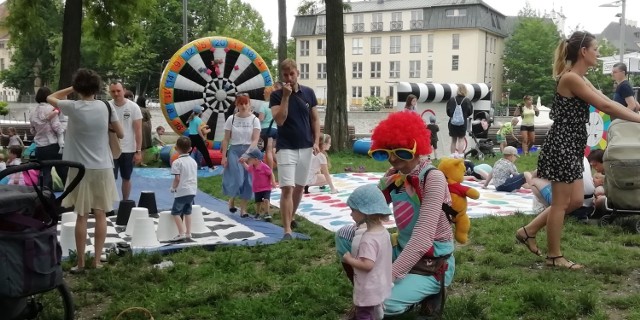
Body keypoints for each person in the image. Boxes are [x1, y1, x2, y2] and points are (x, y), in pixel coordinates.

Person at [515, 31, 640, 270]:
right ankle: (554, 256)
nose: (598, 53)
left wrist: (635, 115)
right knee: (562, 203)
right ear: (584, 52)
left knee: (573, 201)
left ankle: (528, 231)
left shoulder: (581, 78)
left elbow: (608, 101)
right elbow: (603, 105)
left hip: (571, 144)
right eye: (595, 49)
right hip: (562, 144)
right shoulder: (571, 78)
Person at [336, 111, 454, 317]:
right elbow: (367, 212)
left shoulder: (433, 179)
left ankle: (430, 291)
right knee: (345, 236)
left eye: (400, 151)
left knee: (384, 302)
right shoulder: (396, 177)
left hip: (431, 262)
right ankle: (365, 296)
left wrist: (387, 278)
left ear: (417, 148)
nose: (391, 158)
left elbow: (422, 238)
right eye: (386, 151)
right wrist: (382, 185)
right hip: (401, 249)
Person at [48, 68, 124, 272]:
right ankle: (97, 260)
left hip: (78, 168)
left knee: (81, 215)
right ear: (97, 87)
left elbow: (50, 97)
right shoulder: (106, 106)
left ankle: (80, 263)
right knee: (101, 214)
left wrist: (73, 88)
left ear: (78, 87)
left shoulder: (72, 106)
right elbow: (121, 133)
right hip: (103, 167)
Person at [270, 58, 321, 239]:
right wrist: (285, 96)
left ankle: (290, 217)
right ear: (282, 76)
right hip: (286, 147)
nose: (289, 78)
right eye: (285, 75)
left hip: (306, 146)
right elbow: (280, 120)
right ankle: (287, 230)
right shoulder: (276, 96)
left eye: (292, 74)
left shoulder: (309, 93)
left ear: (297, 73)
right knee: (287, 188)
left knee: (299, 188)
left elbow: (314, 119)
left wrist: (316, 141)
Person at [341, 184, 393, 320]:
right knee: (374, 310)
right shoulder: (384, 232)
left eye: (353, 210)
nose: (351, 214)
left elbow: (367, 265)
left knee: (363, 314)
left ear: (364, 212)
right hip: (380, 283)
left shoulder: (367, 239)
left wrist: (349, 259)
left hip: (368, 288)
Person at [221, 93, 261, 218]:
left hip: (249, 151)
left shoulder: (255, 120)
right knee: (237, 178)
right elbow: (226, 139)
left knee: (248, 181)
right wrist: (224, 156)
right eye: (241, 103)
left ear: (249, 104)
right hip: (234, 151)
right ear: (236, 104)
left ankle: (243, 209)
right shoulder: (231, 119)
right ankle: (232, 198)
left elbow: (255, 139)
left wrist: (247, 154)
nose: (243, 106)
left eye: (246, 103)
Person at [109, 82, 142, 201]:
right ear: (109, 92)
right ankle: (108, 205)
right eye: (113, 91)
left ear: (124, 90)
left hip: (128, 149)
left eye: (118, 90)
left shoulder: (134, 107)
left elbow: (138, 130)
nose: (116, 94)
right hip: (111, 149)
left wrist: (138, 151)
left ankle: (125, 202)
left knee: (126, 177)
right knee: (109, 179)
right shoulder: (107, 106)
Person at [29, 87, 68, 190]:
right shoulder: (50, 109)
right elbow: (56, 127)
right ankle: (70, 196)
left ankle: (45, 197)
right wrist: (63, 128)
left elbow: (32, 131)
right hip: (53, 145)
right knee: (63, 171)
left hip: (40, 147)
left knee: (45, 173)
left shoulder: (32, 112)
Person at [169, 136, 198, 241]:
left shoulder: (177, 162)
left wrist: (173, 188)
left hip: (181, 191)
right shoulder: (193, 162)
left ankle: (181, 233)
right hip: (192, 190)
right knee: (187, 211)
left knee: (176, 212)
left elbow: (177, 178)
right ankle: (188, 232)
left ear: (176, 148)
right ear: (190, 149)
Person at [240, 147, 276, 222]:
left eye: (250, 159)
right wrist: (243, 163)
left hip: (266, 188)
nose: (248, 160)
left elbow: (270, 173)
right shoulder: (252, 167)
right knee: (258, 202)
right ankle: (257, 213)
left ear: (256, 159)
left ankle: (267, 213)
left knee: (266, 200)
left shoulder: (264, 167)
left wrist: (273, 182)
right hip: (257, 188)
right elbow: (247, 168)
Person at [446, 85, 473, 155]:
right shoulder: (467, 100)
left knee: (453, 140)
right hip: (462, 123)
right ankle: (460, 155)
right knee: (461, 139)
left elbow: (448, 111)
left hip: (452, 123)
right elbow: (470, 111)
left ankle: (452, 155)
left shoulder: (452, 99)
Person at [187, 105, 216, 171]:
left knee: (187, 153)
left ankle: (184, 167)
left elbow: (193, 128)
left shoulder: (190, 118)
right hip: (197, 137)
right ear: (200, 112)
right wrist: (203, 138)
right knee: (205, 152)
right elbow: (198, 130)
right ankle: (211, 167)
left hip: (190, 137)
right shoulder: (198, 119)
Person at [258, 86, 278, 173]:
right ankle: (281, 166)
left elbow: (261, 118)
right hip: (275, 129)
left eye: (264, 93)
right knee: (273, 150)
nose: (263, 94)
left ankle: (270, 172)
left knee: (268, 151)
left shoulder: (264, 105)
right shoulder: (276, 105)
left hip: (266, 130)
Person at [136, 96, 153, 167]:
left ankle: (134, 161)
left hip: (135, 127)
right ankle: (140, 162)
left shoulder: (135, 108)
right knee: (143, 146)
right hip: (144, 129)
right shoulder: (145, 110)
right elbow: (148, 119)